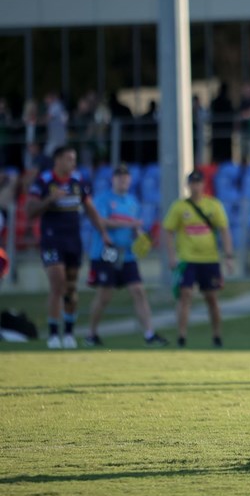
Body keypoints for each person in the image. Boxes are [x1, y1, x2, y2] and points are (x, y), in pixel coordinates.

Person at [26, 146, 112, 349]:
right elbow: (30, 210)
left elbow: (90, 209)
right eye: (68, 159)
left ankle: (70, 333)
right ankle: (54, 334)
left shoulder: (78, 181)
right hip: (51, 239)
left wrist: (103, 233)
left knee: (71, 287)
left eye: (74, 159)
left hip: (73, 240)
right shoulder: (44, 181)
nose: (72, 163)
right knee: (57, 283)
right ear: (57, 160)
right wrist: (49, 200)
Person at [85, 164, 168, 348]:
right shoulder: (103, 199)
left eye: (126, 177)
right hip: (107, 252)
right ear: (112, 179)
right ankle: (91, 333)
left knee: (138, 291)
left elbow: (136, 227)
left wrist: (142, 238)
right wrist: (129, 226)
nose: (123, 180)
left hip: (127, 254)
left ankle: (149, 334)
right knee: (104, 295)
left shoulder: (132, 202)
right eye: (119, 177)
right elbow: (102, 221)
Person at [162, 170, 234, 348]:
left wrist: (229, 256)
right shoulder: (179, 207)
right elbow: (168, 231)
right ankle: (182, 336)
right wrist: (171, 257)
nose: (196, 186)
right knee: (185, 296)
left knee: (211, 298)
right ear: (188, 185)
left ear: (203, 184)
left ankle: (217, 336)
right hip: (188, 259)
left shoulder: (213, 205)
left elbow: (224, 230)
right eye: (192, 183)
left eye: (199, 182)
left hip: (209, 259)